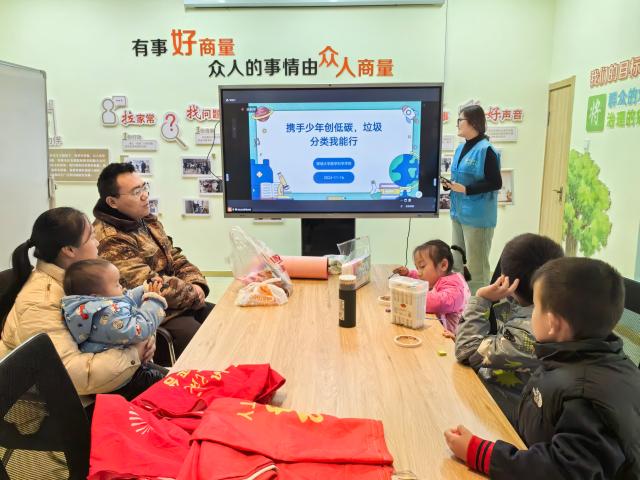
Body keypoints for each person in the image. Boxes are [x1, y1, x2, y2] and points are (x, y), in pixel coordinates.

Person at [445, 257, 640, 478]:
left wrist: (480, 453)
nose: (529, 313)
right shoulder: (570, 355)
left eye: (535, 307)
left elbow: (560, 471)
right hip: (525, 446)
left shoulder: (585, 398)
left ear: (553, 323)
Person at [0, 207, 162, 399]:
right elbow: (72, 376)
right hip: (68, 403)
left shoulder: (81, 279)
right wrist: (134, 353)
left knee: (183, 386)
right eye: (91, 237)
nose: (98, 241)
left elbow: (122, 309)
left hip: (112, 377)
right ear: (69, 250)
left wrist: (143, 339)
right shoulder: (41, 301)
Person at [93, 163, 212, 364]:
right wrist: (193, 294)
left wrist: (197, 283)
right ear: (112, 202)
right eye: (136, 192)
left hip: (181, 302)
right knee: (205, 344)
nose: (145, 195)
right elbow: (148, 286)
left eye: (144, 187)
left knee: (224, 321)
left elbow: (174, 257)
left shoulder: (145, 220)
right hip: (153, 314)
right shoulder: (110, 239)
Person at [454, 233, 564, 423]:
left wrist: (482, 299)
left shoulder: (533, 331)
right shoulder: (536, 309)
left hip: (503, 415)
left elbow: (466, 351)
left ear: (508, 281)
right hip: (493, 391)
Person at [446, 105, 502, 294]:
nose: (457, 124)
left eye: (460, 120)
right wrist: (451, 185)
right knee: (457, 262)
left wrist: (467, 189)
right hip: (458, 214)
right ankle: (458, 304)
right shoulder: (460, 148)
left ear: (472, 123)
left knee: (476, 269)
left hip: (478, 218)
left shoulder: (486, 150)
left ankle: (479, 307)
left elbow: (495, 182)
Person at [61, 258, 167, 353]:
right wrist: (154, 301)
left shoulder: (102, 304)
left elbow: (125, 298)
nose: (121, 287)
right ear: (96, 296)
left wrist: (144, 289)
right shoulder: (106, 315)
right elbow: (140, 329)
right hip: (132, 367)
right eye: (116, 284)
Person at [393, 240, 471, 334]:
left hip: (450, 339)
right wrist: (408, 274)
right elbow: (423, 279)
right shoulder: (443, 276)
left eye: (422, 266)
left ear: (443, 265)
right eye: (417, 268)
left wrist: (412, 297)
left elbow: (439, 303)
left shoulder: (454, 286)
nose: (419, 273)